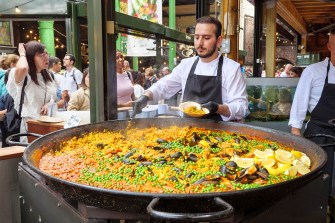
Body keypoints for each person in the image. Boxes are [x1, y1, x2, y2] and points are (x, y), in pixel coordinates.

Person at [132, 16, 248, 121]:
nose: (200, 43)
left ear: (218, 41)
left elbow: (241, 108)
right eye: (197, 37)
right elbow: (164, 86)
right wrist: (145, 96)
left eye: (206, 38)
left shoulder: (231, 68)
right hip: (188, 130)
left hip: (222, 135)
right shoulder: (186, 65)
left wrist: (218, 108)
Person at [289, 29, 335, 194]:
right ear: (330, 46)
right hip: (318, 132)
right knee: (319, 177)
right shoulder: (314, 71)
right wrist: (296, 131)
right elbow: (299, 101)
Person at [6, 41, 58, 138]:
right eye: (41, 55)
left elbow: (56, 99)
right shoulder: (23, 74)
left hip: (49, 125)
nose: (46, 57)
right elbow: (22, 68)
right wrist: (22, 53)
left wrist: (49, 104)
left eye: (46, 53)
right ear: (29, 57)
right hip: (29, 127)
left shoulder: (49, 75)